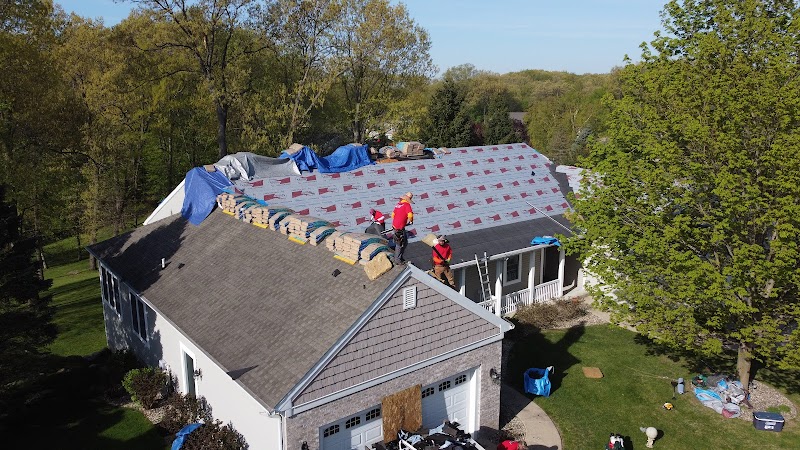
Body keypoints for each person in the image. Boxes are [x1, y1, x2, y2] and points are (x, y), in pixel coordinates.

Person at [391, 192, 414, 264]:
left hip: (395, 226)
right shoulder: (407, 205)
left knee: (403, 242)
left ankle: (399, 257)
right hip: (400, 227)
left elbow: (392, 215)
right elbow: (410, 215)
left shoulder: (398, 204)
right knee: (400, 244)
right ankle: (397, 260)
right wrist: (411, 221)